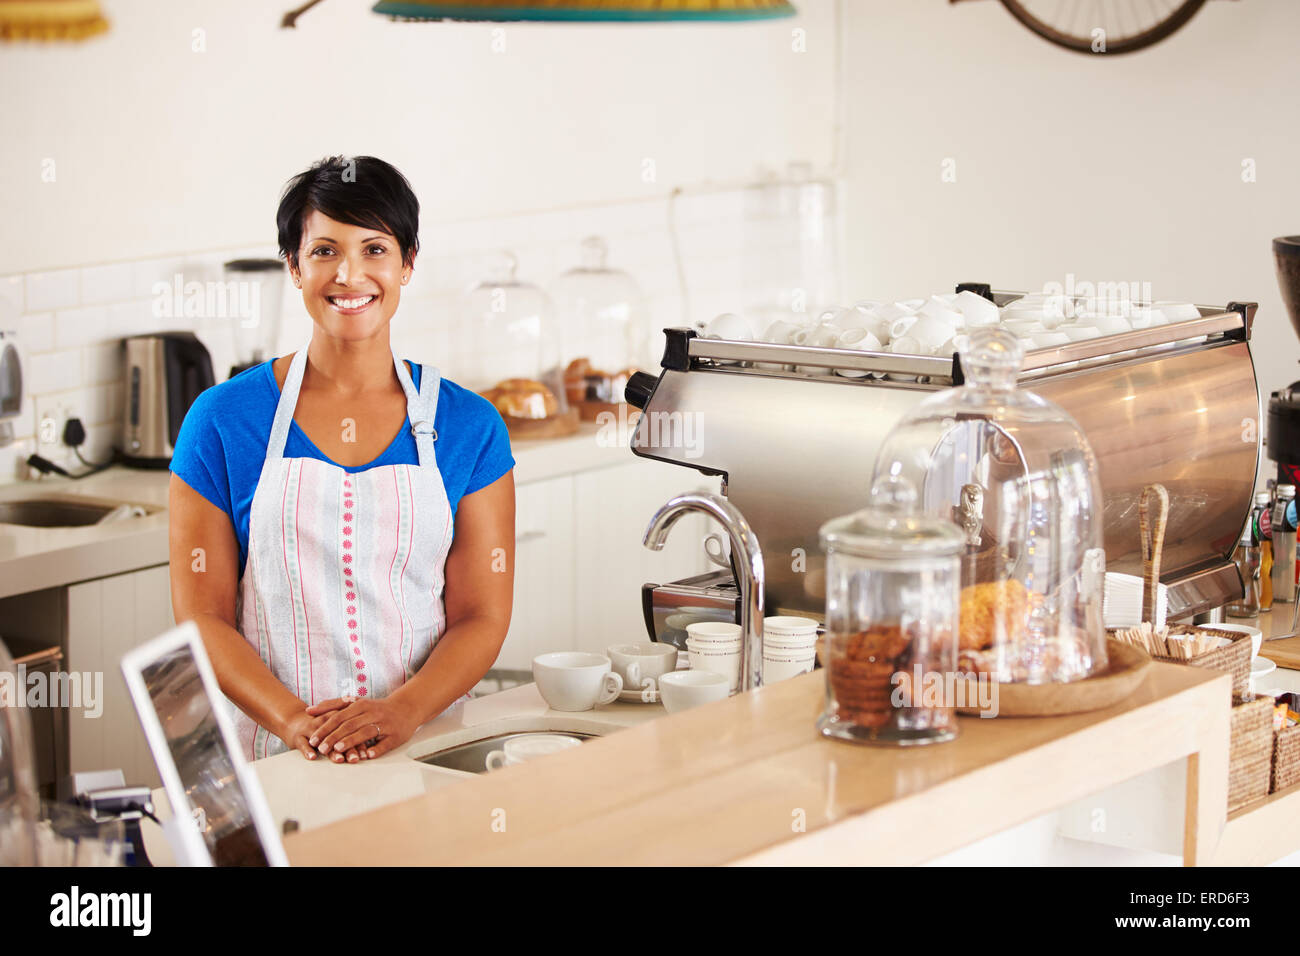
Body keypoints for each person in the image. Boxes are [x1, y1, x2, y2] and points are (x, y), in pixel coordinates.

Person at [169, 155, 516, 765]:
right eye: (325, 251)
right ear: (294, 267)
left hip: (424, 747)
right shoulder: (222, 420)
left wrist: (403, 710)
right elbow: (203, 617)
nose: (350, 275)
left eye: (374, 250)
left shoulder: (470, 427)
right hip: (272, 757)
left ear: (408, 265)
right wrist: (292, 721)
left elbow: (481, 616)